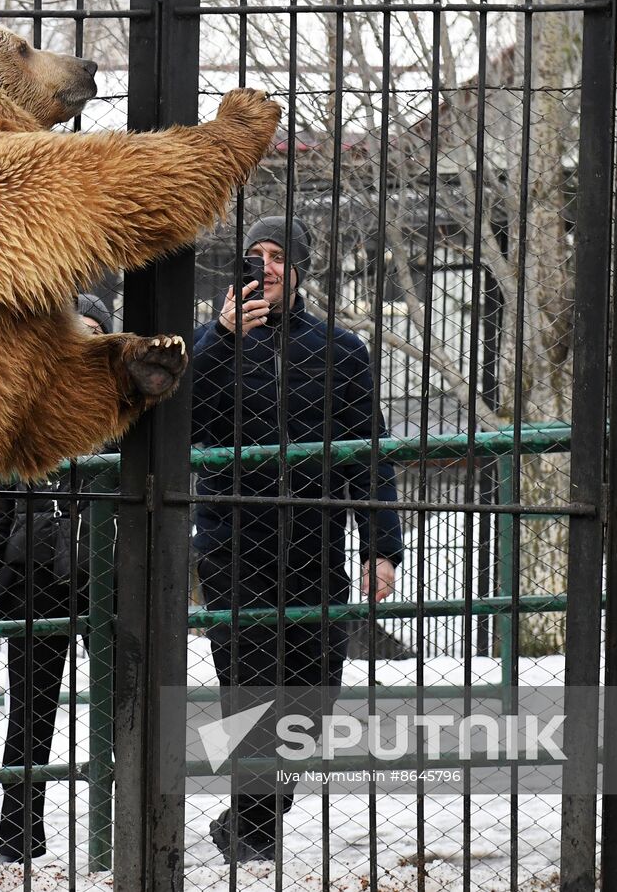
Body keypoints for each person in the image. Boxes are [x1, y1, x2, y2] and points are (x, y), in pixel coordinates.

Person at [191, 216, 405, 863]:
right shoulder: (214, 342)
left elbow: (370, 454)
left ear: (301, 267)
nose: (266, 267)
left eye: (279, 255)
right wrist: (222, 338)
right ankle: (256, 840)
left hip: (317, 544)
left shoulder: (341, 350)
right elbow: (184, 417)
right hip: (235, 544)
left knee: (314, 695)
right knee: (252, 691)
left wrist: (382, 547)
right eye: (253, 256)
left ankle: (248, 817)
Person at [0, 293, 114, 865]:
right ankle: (17, 834)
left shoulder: (123, 403)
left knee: (124, 703)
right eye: (74, 331)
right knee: (30, 713)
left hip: (105, 574)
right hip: (33, 581)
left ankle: (124, 820)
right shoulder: (22, 403)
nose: (83, 341)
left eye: (95, 331)